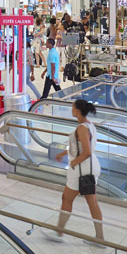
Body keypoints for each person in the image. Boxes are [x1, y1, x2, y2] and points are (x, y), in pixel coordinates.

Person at [51, 99, 105, 243]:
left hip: (82, 170)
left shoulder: (81, 128)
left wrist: (74, 162)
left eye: (73, 107)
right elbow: (81, 147)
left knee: (68, 198)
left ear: (77, 110)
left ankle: (59, 232)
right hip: (90, 167)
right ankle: (99, 238)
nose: (72, 109)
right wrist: (64, 154)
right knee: (91, 201)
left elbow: (86, 151)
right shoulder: (88, 125)